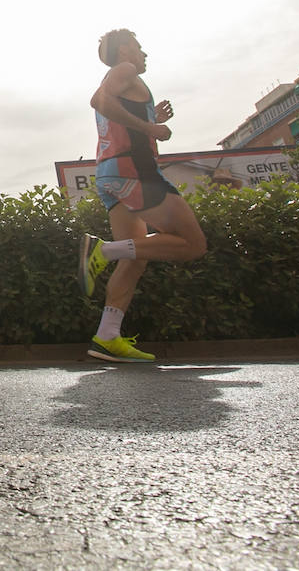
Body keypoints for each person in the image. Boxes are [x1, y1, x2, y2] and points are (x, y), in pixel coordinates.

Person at [77, 29, 207, 363]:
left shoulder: (124, 80)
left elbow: (117, 117)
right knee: (193, 244)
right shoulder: (125, 71)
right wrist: (151, 128)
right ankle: (103, 250)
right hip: (135, 172)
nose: (144, 53)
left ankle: (106, 336)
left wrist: (152, 118)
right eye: (139, 47)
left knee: (135, 259)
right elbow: (99, 102)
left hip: (111, 174)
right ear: (124, 51)